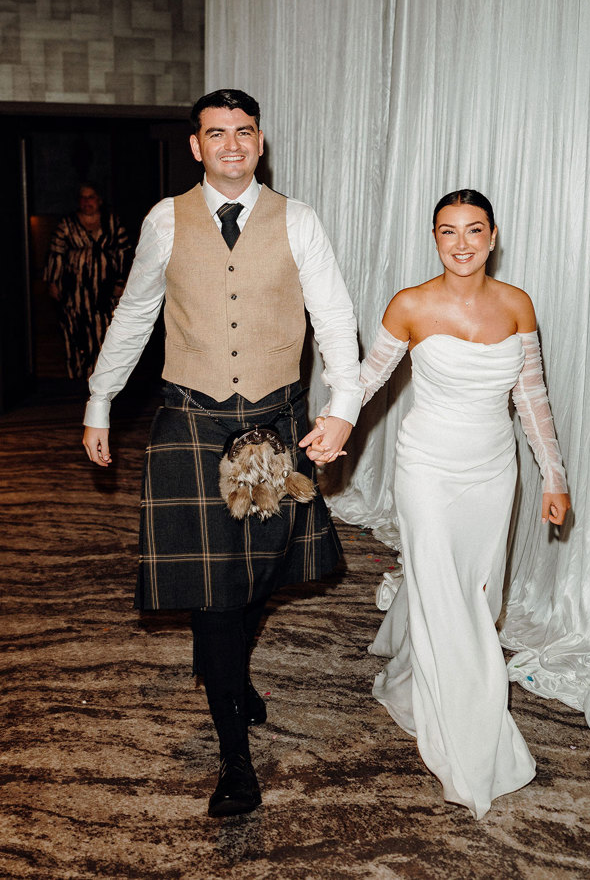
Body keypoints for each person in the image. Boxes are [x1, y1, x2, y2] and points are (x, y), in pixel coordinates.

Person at [82, 89, 362, 818]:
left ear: (260, 142)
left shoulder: (297, 220)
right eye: (216, 133)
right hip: (190, 420)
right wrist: (100, 399)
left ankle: (229, 672)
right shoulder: (162, 219)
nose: (231, 144)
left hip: (275, 423)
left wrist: (342, 407)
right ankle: (235, 761)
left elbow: (334, 316)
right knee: (213, 590)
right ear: (196, 146)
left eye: (244, 132)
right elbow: (137, 311)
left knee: (259, 572)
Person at [307, 188, 571, 819]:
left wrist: (554, 476)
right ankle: (472, 728)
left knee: (474, 591)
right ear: (434, 237)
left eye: (473, 230)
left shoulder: (517, 306)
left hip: (491, 471)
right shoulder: (410, 304)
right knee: (446, 597)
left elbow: (531, 399)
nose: (461, 243)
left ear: (493, 236)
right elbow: (369, 377)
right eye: (448, 231)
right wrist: (334, 421)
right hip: (425, 466)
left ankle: (410, 675)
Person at [45, 184, 131, 378]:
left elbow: (125, 254)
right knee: (74, 336)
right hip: (73, 293)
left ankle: (100, 382)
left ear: (98, 200)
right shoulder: (67, 224)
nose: (86, 202)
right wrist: (53, 282)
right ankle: (75, 381)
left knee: (103, 336)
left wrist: (121, 282)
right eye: (82, 198)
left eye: (90, 197)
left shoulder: (112, 223)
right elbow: (55, 253)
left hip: (105, 292)